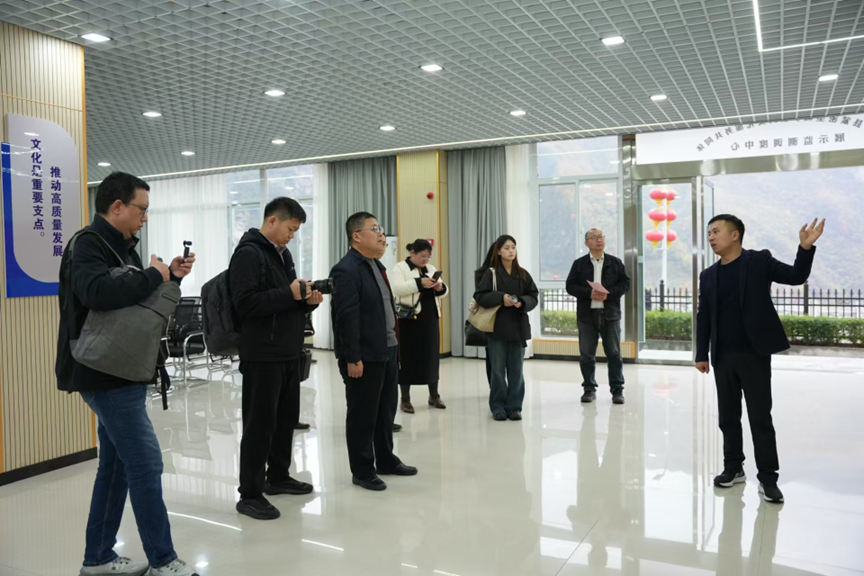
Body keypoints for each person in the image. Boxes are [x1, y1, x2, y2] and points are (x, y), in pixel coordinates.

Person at [56, 172, 199, 576]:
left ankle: (98, 558)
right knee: (146, 464)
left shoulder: (123, 248)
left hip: (121, 369)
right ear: (117, 206)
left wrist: (170, 275)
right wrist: (153, 275)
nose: (145, 218)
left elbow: (133, 303)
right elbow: (98, 293)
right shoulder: (88, 244)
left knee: (117, 466)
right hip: (102, 372)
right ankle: (163, 560)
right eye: (142, 209)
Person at [696, 214, 825, 504]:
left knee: (760, 418)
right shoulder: (708, 275)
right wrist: (701, 353)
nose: (711, 237)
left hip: (753, 354)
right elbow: (704, 317)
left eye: (716, 231)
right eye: (709, 233)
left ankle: (768, 478)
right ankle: (733, 468)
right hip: (722, 356)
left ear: (735, 235)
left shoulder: (758, 261)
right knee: (728, 417)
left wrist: (805, 248)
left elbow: (796, 276)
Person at [229, 197, 322, 520]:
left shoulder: (282, 254)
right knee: (260, 425)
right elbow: (245, 304)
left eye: (296, 231)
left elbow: (285, 301)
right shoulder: (248, 254)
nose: (292, 236)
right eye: (290, 229)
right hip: (262, 354)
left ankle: (278, 476)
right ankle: (250, 493)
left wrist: (307, 302)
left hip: (287, 351)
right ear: (272, 221)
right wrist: (289, 293)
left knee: (285, 421)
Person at [330, 212, 417, 491]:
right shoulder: (345, 270)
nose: (381, 234)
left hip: (387, 350)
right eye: (375, 229)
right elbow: (345, 318)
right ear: (357, 236)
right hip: (364, 356)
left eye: (381, 228)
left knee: (385, 412)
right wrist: (352, 357)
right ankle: (362, 469)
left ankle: (386, 460)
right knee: (363, 415)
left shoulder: (376, 266)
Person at [473, 235, 538, 421]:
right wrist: (501, 298)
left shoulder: (523, 274)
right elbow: (480, 296)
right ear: (499, 251)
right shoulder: (491, 273)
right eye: (507, 248)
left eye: (513, 247)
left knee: (517, 370)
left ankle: (515, 407)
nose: (511, 251)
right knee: (498, 371)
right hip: (497, 328)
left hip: (518, 327)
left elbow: (533, 296)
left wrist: (522, 302)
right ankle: (498, 407)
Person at [565, 229, 631, 404]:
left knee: (614, 354)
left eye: (601, 237)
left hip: (610, 315)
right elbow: (570, 286)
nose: (598, 240)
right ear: (587, 243)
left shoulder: (615, 262)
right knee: (587, 354)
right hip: (587, 316)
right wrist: (589, 293)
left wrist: (608, 294)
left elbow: (625, 284)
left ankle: (617, 390)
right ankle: (589, 388)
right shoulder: (579, 264)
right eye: (594, 238)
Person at [390, 239, 448, 413]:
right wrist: (419, 283)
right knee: (407, 359)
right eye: (422, 256)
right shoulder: (400, 268)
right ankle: (405, 399)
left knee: (431, 357)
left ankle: (434, 395)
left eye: (428, 256)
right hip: (408, 320)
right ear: (413, 253)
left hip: (430, 318)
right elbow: (397, 289)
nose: (426, 260)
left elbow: (443, 291)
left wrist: (440, 287)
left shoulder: (430, 268)